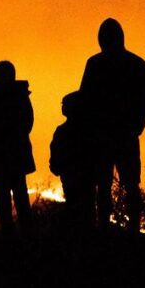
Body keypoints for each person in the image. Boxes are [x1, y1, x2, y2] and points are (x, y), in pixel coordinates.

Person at [79, 18, 145, 233]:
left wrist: (133, 128)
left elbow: (86, 98)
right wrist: (135, 127)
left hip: (107, 135)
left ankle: (105, 228)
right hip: (119, 135)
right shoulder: (138, 65)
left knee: (107, 185)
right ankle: (130, 230)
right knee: (126, 185)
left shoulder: (95, 64)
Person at [0, 61, 35, 238]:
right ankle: (26, 236)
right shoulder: (20, 94)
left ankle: (11, 236)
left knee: (3, 197)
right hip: (16, 153)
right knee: (19, 195)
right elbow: (28, 121)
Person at [50, 91, 95, 230]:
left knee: (78, 206)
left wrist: (56, 166)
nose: (62, 107)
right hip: (77, 176)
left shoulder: (65, 131)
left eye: (65, 104)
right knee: (84, 207)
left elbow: (56, 152)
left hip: (75, 175)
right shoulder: (87, 130)